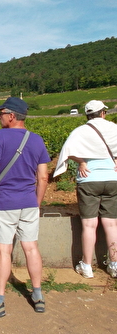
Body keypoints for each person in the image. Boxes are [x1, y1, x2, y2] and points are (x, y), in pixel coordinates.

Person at [0, 97, 50, 317]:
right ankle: (37, 295)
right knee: (31, 248)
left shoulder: (1, 136)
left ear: (11, 116)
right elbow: (44, 177)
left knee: (4, 251)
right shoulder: (37, 140)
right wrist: (35, 203)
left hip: (5, 203)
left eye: (0, 114)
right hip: (28, 202)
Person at [54, 100, 117, 278]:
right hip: (112, 178)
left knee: (89, 225)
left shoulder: (80, 131)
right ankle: (114, 264)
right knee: (112, 224)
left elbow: (66, 151)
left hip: (89, 179)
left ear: (88, 115)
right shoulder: (114, 128)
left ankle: (87, 266)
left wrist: (81, 161)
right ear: (103, 113)